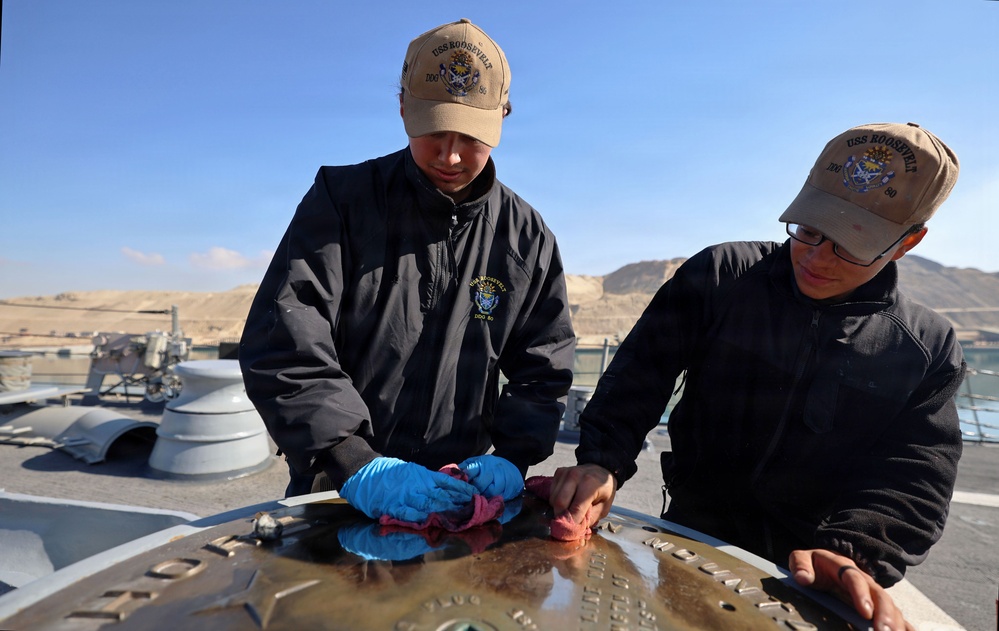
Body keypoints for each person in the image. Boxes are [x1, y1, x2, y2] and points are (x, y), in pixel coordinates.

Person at [550, 121, 962, 631]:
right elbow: (640, 375)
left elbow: (914, 474)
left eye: (851, 245)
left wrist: (856, 553)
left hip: (814, 575)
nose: (816, 257)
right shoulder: (721, 276)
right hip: (687, 537)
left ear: (908, 241)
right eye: (810, 230)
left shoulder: (926, 348)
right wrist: (601, 463)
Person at [239, 18, 575, 525]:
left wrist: (511, 457)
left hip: (464, 496)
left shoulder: (527, 238)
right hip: (343, 491)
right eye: (434, 130)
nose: (451, 155)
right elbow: (285, 340)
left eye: (472, 136)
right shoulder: (342, 203)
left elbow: (543, 370)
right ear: (402, 107)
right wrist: (352, 461)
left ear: (503, 118)